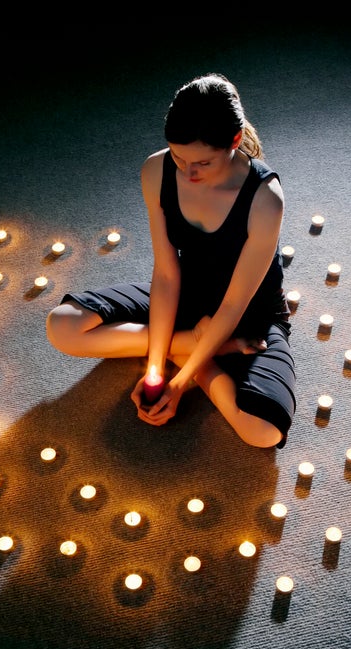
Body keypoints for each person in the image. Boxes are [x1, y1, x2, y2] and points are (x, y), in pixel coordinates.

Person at [46, 73, 296, 448]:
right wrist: (155, 368)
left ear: (233, 141)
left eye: (202, 163)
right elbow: (165, 274)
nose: (188, 172)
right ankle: (190, 345)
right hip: (183, 295)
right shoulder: (155, 171)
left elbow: (233, 304)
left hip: (248, 315)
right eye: (178, 157)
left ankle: (192, 356)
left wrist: (178, 385)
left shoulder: (265, 198)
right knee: (61, 326)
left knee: (264, 431)